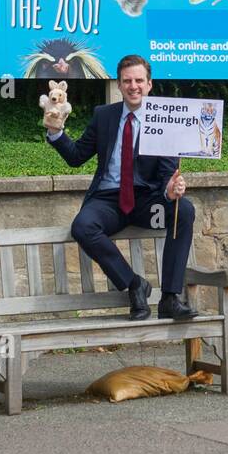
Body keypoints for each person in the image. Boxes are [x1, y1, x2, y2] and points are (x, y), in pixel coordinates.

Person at [44, 54, 196, 321]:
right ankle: (135, 284)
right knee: (83, 226)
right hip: (108, 201)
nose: (133, 86)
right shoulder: (104, 115)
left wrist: (169, 190)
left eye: (139, 80)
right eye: (127, 81)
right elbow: (77, 156)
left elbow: (165, 174)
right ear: (119, 84)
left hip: (148, 202)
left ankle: (170, 298)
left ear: (149, 84)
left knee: (182, 210)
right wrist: (56, 133)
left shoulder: (163, 117)